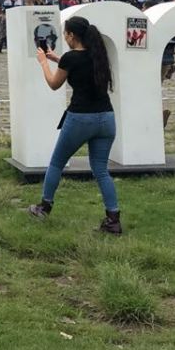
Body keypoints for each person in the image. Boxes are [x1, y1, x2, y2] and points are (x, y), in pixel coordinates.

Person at [26, 15, 121, 234]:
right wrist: (57, 59)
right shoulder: (98, 55)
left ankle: (44, 206)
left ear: (71, 35)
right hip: (106, 118)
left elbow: (54, 84)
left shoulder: (71, 58)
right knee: (101, 169)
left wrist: (43, 63)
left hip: (80, 118)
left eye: (65, 34)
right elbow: (79, 65)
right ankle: (113, 218)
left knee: (57, 163)